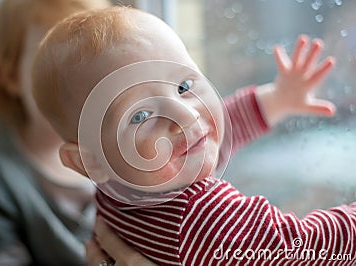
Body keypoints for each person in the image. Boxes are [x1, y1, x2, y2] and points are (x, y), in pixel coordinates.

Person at [32, 6, 356, 265]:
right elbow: (311, 247)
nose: (185, 116)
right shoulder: (201, 214)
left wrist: (274, 99)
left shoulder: (119, 189)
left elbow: (213, 130)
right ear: (88, 161)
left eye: (184, 87)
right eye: (140, 116)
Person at [0, 0, 112, 265]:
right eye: (53, 59)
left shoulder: (129, 151)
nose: (78, 80)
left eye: (91, 59)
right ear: (11, 76)